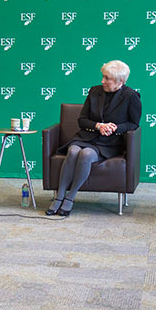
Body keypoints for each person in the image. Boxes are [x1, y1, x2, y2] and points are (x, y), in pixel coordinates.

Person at [46, 60, 142, 219]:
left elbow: (133, 124)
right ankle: (59, 197)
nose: (102, 81)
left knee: (86, 155)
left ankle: (70, 197)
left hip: (110, 142)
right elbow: (82, 120)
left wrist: (115, 128)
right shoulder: (94, 91)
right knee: (73, 150)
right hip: (87, 136)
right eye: (103, 77)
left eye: (107, 78)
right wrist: (98, 125)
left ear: (120, 81)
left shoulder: (131, 96)